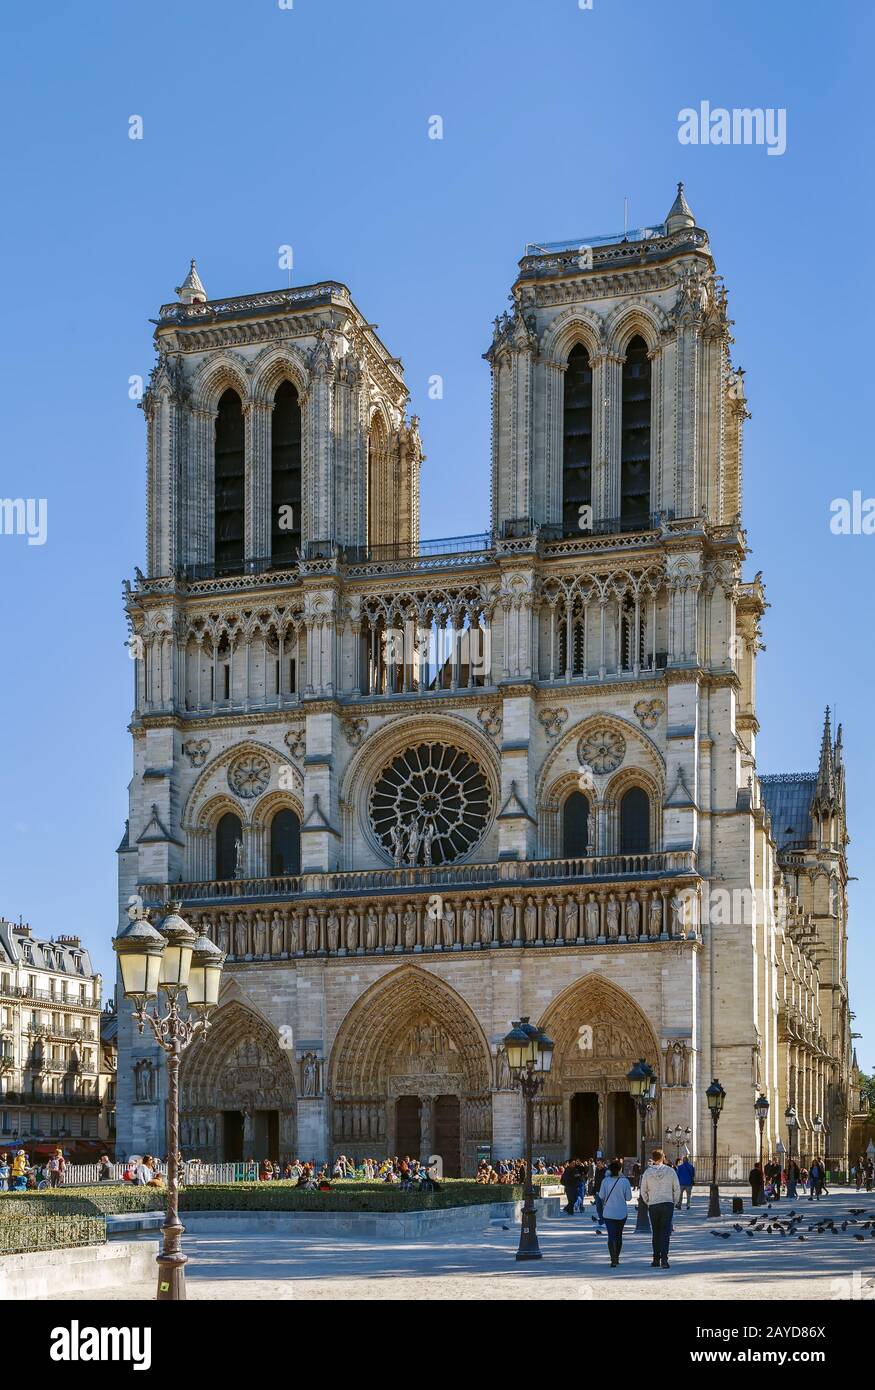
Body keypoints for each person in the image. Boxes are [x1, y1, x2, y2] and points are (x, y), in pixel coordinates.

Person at [639, 1149, 680, 1269]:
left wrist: (648, 1201)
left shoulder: (647, 1173)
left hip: (654, 1204)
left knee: (656, 1232)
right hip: (667, 1203)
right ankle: (665, 1260)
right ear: (663, 1158)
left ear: (653, 1158)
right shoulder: (670, 1171)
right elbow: (676, 1188)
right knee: (665, 1232)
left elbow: (643, 1190)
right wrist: (674, 1201)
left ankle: (656, 1259)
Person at [598, 1159, 633, 1267]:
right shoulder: (625, 1181)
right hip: (621, 1212)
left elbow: (601, 1196)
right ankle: (617, 1257)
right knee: (619, 1235)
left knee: (611, 1236)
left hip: (608, 1212)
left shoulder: (605, 1181)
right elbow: (628, 1198)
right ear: (620, 1170)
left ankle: (613, 1258)